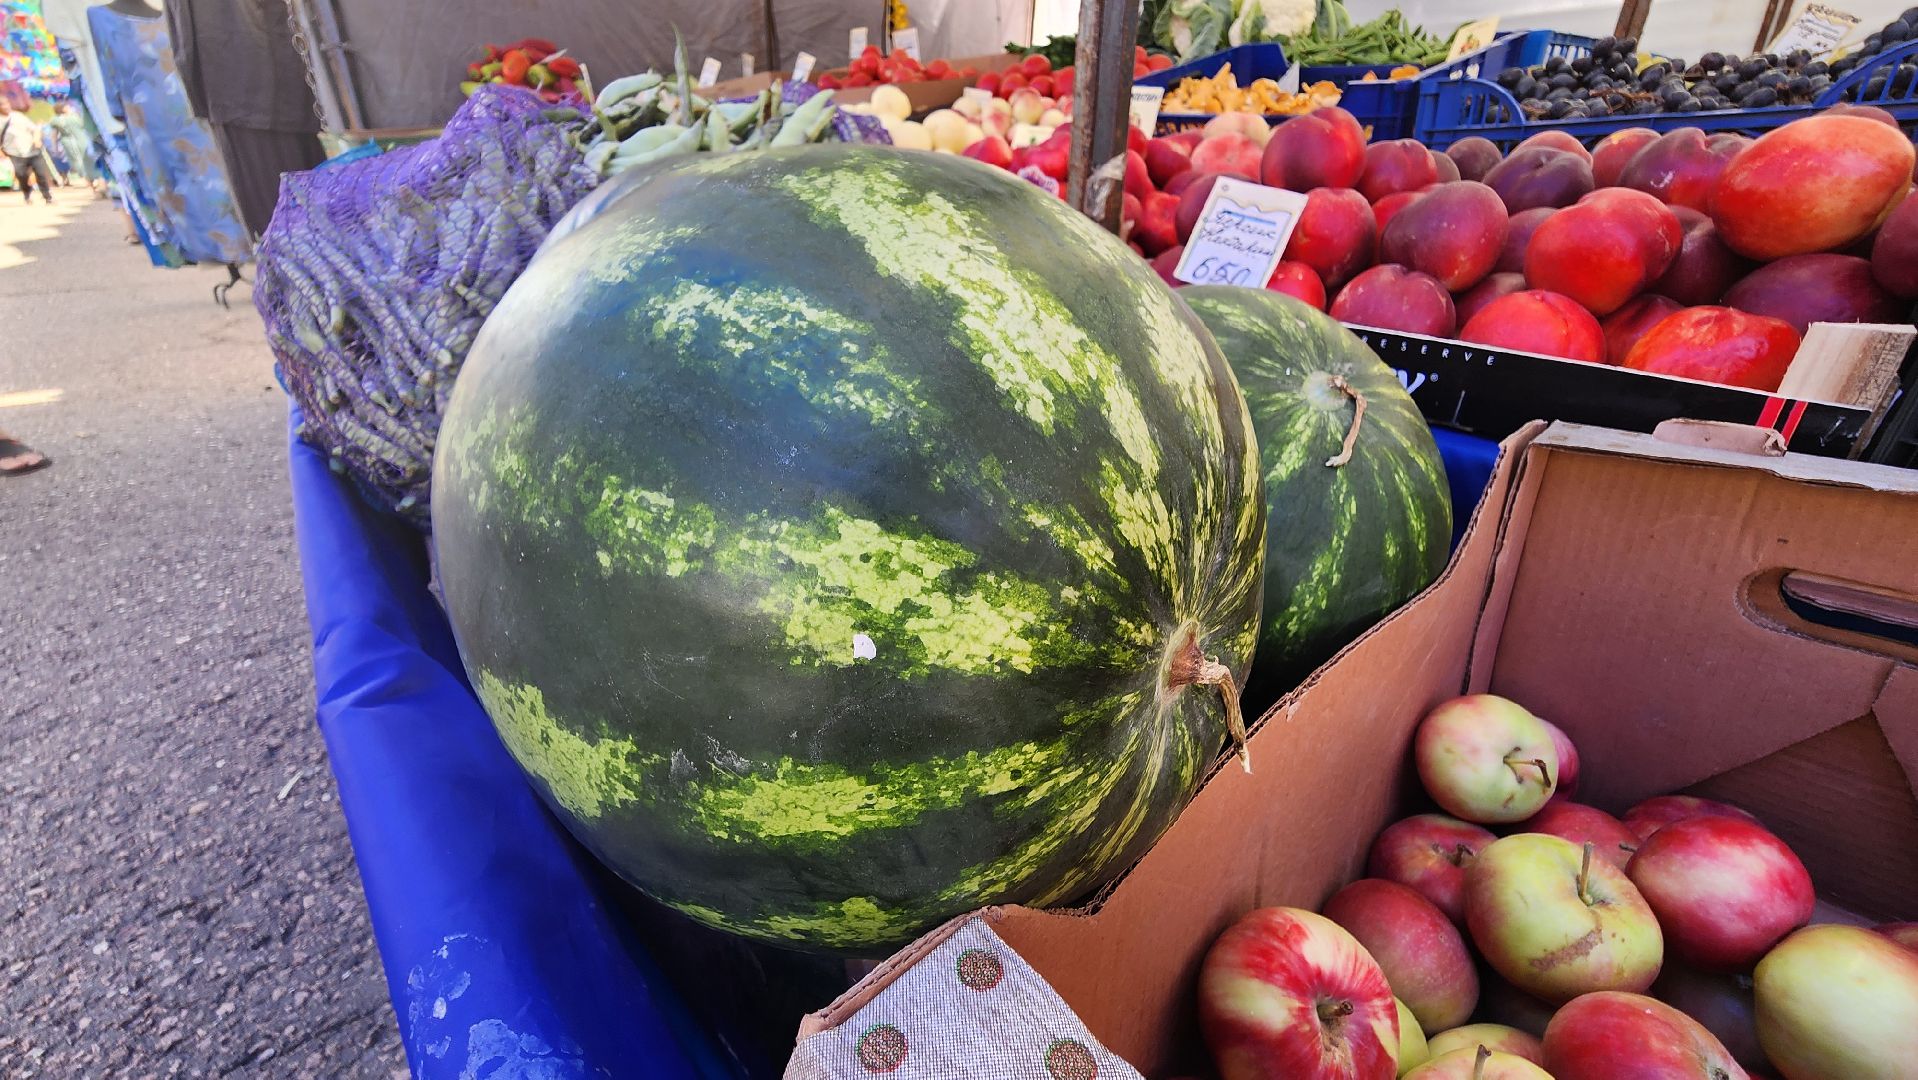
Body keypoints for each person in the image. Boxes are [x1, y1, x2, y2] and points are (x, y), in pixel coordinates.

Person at [0, 99, 57, 204]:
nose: (6, 106)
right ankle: (27, 193)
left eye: (7, 104)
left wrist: (37, 139)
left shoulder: (18, 116)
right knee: (21, 175)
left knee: (41, 173)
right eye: (2, 105)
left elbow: (34, 129)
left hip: (32, 149)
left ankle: (47, 196)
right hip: (15, 153)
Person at [47, 101, 99, 193]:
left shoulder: (58, 119)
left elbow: (54, 135)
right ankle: (93, 179)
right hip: (80, 139)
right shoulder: (74, 117)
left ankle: (90, 180)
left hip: (71, 141)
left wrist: (54, 147)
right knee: (83, 160)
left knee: (78, 161)